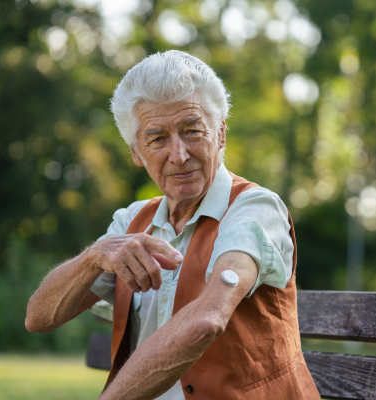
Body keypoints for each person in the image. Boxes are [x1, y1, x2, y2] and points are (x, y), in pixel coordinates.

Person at [25, 50, 320, 400]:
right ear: (136, 152)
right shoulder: (131, 221)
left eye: (192, 130)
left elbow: (208, 318)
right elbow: (39, 319)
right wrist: (95, 256)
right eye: (158, 138)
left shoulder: (255, 208)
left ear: (221, 134)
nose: (179, 155)